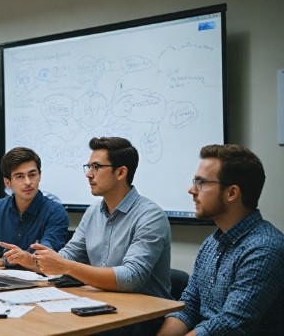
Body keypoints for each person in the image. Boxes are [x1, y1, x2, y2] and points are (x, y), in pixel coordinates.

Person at [158, 144, 284, 335]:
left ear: (232, 193)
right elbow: (189, 307)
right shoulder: (211, 243)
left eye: (201, 182)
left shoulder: (264, 249)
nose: (191, 190)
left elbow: (230, 325)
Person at [32, 136, 172, 300]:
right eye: (89, 167)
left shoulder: (151, 216)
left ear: (121, 172)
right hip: (103, 304)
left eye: (96, 167)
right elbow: (68, 256)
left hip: (145, 315)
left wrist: (66, 267)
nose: (89, 174)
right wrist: (38, 260)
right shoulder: (93, 212)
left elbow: (131, 277)